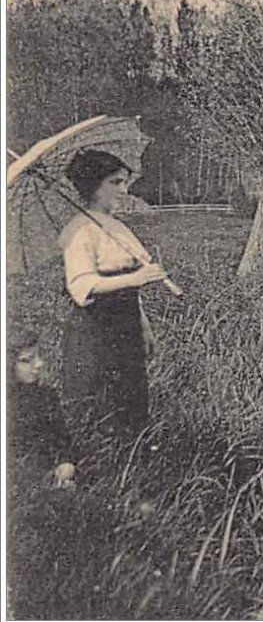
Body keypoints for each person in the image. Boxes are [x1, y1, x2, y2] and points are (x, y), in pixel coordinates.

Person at [57, 149, 169, 448]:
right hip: (94, 327)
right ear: (93, 185)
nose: (123, 190)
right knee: (99, 397)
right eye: (114, 182)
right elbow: (82, 285)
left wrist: (143, 325)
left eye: (124, 182)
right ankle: (100, 468)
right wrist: (135, 279)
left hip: (126, 323)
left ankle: (134, 460)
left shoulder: (118, 227)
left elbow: (133, 289)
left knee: (131, 396)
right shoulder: (78, 231)